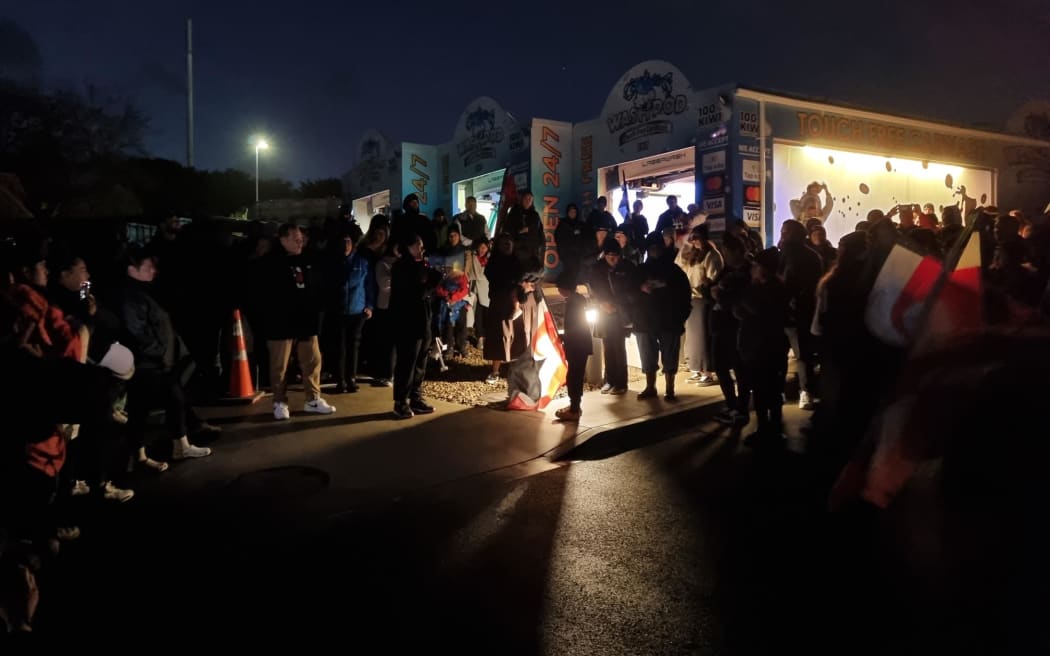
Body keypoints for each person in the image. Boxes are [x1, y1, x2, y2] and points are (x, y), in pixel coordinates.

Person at [116, 248, 215, 468]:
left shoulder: (144, 292)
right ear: (132, 270)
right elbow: (137, 332)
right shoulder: (131, 297)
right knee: (164, 402)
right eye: (147, 267)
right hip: (148, 364)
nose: (153, 271)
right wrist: (160, 352)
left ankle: (150, 454)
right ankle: (170, 448)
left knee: (150, 407)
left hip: (153, 363)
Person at [260, 224, 336, 420]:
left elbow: (318, 287)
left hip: (306, 321)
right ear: (283, 239)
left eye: (301, 238)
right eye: (295, 239)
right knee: (280, 366)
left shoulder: (309, 259)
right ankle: (279, 401)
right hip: (280, 324)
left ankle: (313, 399)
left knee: (313, 361)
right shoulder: (269, 263)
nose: (299, 242)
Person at [389, 233, 443, 419]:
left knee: (421, 360)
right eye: (418, 246)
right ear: (409, 247)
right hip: (407, 322)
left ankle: (416, 398)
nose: (422, 249)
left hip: (423, 319)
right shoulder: (401, 268)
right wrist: (433, 281)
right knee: (407, 362)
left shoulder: (421, 265)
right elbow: (415, 292)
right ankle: (400, 401)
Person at [633, 233, 692, 401]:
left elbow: (685, 295)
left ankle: (669, 389)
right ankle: (650, 387)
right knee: (647, 355)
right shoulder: (641, 270)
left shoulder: (674, 271)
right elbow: (629, 292)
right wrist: (641, 288)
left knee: (670, 356)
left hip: (669, 320)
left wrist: (681, 317)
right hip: (645, 320)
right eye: (652, 248)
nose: (655, 251)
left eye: (658, 247)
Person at [553, 271, 592, 422]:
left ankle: (574, 409)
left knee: (574, 376)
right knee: (576, 375)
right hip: (580, 344)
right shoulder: (576, 300)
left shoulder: (573, 302)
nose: (558, 290)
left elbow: (574, 326)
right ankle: (574, 406)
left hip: (577, 345)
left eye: (559, 287)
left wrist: (565, 337)